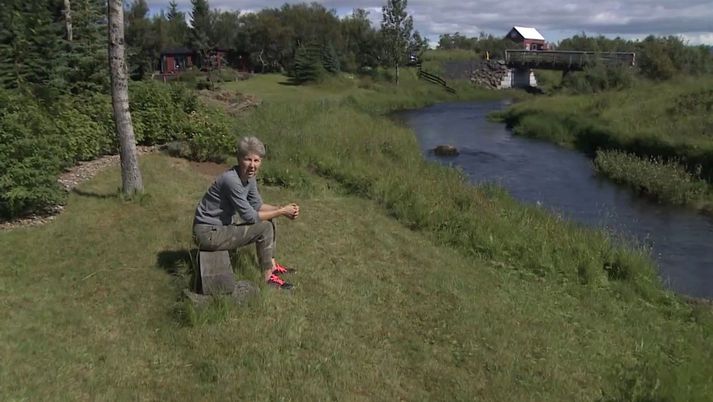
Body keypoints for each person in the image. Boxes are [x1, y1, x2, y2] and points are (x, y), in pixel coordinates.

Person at [192, 136, 300, 289]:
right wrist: (282, 211)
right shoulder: (232, 180)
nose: (252, 165)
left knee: (272, 218)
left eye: (257, 161)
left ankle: (272, 265)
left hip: (219, 228)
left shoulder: (249, 178)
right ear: (239, 159)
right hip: (207, 233)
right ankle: (268, 278)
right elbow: (250, 216)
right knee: (265, 227)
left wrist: (281, 208)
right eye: (248, 159)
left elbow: (257, 205)